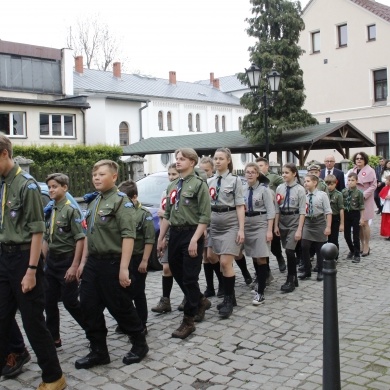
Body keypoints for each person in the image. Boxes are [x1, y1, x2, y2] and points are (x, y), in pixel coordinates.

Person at [0, 134, 66, 389]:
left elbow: (38, 231)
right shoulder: (3, 183)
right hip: (4, 257)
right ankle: (14, 354)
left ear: (4, 154)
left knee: (32, 321)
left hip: (24, 258)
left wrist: (31, 270)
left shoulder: (26, 186)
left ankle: (54, 377)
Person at [76, 160, 148, 369]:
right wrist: (83, 262)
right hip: (94, 264)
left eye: (101, 174)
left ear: (114, 177)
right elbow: (89, 235)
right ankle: (99, 350)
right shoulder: (94, 202)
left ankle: (139, 343)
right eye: (94, 174)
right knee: (88, 306)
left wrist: (124, 268)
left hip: (113, 262)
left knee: (120, 306)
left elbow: (128, 235)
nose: (96, 178)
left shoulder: (121, 201)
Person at [157, 148, 211, 339]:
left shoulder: (199, 185)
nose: (178, 162)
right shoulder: (173, 186)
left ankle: (188, 321)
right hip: (176, 234)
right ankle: (201, 300)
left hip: (192, 232)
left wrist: (196, 239)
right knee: (175, 270)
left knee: (189, 277)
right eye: (177, 159)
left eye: (182, 159)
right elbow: (168, 214)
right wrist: (161, 238)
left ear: (192, 162)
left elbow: (205, 216)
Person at [42, 173, 86, 350]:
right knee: (49, 301)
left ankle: (93, 329)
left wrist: (75, 266)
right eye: (50, 187)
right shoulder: (51, 208)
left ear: (65, 188)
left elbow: (80, 239)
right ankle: (54, 338)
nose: (51, 190)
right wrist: (42, 260)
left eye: (55, 186)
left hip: (67, 261)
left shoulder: (70, 210)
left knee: (70, 302)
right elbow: (47, 237)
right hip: (52, 262)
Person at [208, 148, 245, 318]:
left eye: (221, 158)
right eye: (215, 158)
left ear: (228, 160)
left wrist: (241, 229)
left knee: (225, 262)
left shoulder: (235, 181)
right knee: (211, 257)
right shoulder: (210, 182)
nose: (217, 161)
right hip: (214, 222)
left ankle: (229, 299)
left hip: (230, 222)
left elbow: (239, 206)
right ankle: (229, 293)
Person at [117, 180, 155, 335]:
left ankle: (142, 322)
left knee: (138, 292)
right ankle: (127, 321)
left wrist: (145, 260)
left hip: (138, 257)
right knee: (123, 292)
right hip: (123, 258)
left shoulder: (143, 214)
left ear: (134, 197)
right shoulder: (120, 212)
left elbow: (149, 239)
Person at [242, 162, 275, 305]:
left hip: (261, 223)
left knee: (261, 257)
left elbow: (271, 211)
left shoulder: (264, 190)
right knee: (254, 257)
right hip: (248, 223)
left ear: (257, 174)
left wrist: (269, 230)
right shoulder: (242, 189)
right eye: (247, 172)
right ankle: (261, 279)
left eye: (252, 172)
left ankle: (260, 292)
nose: (249, 174)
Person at [151, 163, 182, 313]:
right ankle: (165, 300)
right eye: (169, 174)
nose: (171, 177)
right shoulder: (166, 192)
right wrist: (162, 238)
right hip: (168, 232)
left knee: (183, 270)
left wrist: (165, 214)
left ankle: (190, 297)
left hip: (182, 233)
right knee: (166, 267)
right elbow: (161, 214)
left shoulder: (183, 191)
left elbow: (172, 213)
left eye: (174, 174)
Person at [274, 163, 306, 293]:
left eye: (287, 172)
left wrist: (299, 229)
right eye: (283, 172)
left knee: (289, 250)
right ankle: (294, 278)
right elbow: (277, 208)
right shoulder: (280, 188)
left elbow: (303, 211)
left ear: (294, 174)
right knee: (287, 249)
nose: (284, 175)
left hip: (294, 220)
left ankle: (290, 279)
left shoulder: (300, 189)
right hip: (283, 221)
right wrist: (276, 225)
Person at [298, 174, 332, 281]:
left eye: (308, 181)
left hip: (319, 222)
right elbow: (302, 212)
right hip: (308, 223)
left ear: (315, 182)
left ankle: (321, 270)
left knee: (319, 248)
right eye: (305, 181)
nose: (305, 183)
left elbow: (328, 212)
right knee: (304, 245)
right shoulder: (304, 195)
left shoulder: (322, 195)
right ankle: (307, 270)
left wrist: (328, 227)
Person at [198, 157, 224, 298]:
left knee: (213, 255)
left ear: (212, 170)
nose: (203, 173)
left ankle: (222, 283)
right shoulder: (199, 184)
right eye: (201, 170)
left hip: (215, 222)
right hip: (203, 223)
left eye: (206, 170)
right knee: (205, 257)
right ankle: (210, 287)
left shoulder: (213, 183)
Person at [255, 157, 286, 273]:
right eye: (257, 166)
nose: (259, 168)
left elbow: (284, 186)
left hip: (272, 211)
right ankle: (264, 268)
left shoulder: (273, 177)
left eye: (261, 165)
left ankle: (279, 257)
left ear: (267, 166)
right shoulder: (254, 178)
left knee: (274, 240)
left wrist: (279, 196)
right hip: (259, 212)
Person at [351, 152, 376, 257]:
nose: (359, 160)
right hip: (355, 199)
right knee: (359, 223)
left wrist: (363, 195)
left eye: (361, 158)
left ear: (365, 159)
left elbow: (374, 185)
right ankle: (361, 244)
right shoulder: (353, 170)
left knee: (365, 222)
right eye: (357, 158)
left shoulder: (370, 170)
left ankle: (366, 245)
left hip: (366, 199)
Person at [342, 172, 365, 263]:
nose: (350, 182)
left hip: (355, 214)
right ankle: (352, 250)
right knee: (346, 235)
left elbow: (362, 206)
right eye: (349, 180)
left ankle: (356, 254)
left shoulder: (359, 193)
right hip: (346, 214)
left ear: (357, 181)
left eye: (352, 180)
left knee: (355, 235)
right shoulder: (344, 192)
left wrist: (362, 218)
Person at [325, 174, 344, 259]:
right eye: (327, 184)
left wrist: (342, 224)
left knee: (334, 239)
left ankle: (335, 256)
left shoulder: (338, 194)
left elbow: (341, 209)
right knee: (325, 239)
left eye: (331, 184)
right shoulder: (323, 194)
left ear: (335, 184)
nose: (329, 187)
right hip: (325, 219)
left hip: (335, 218)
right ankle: (325, 254)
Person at [379, 175, 390, 240]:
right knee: (387, 222)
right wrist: (384, 197)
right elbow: (381, 195)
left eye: (387, 180)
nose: (385, 181)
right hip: (387, 206)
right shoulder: (385, 188)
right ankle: (388, 234)